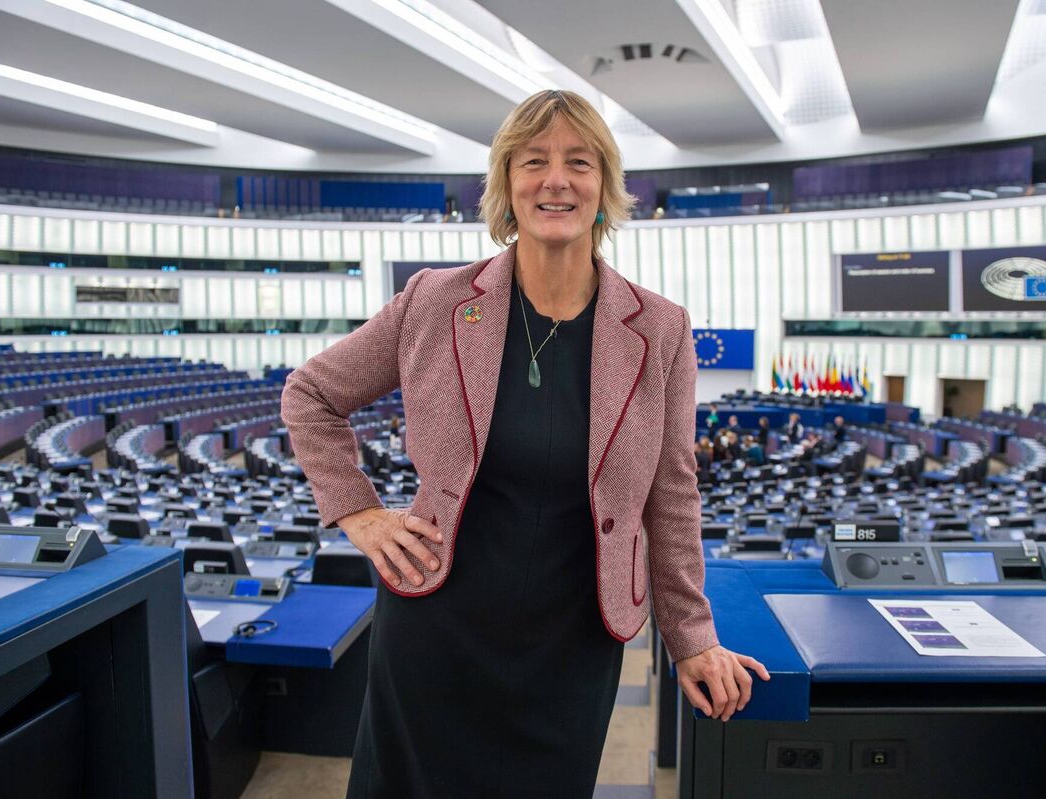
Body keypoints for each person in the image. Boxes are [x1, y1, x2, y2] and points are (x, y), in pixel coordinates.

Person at [280, 89, 767, 799]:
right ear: (507, 185)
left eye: (578, 161)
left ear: (605, 187)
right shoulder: (434, 301)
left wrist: (692, 636)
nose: (555, 179)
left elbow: (670, 491)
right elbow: (310, 395)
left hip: (571, 647)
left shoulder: (659, 329)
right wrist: (359, 509)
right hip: (435, 631)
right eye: (533, 161)